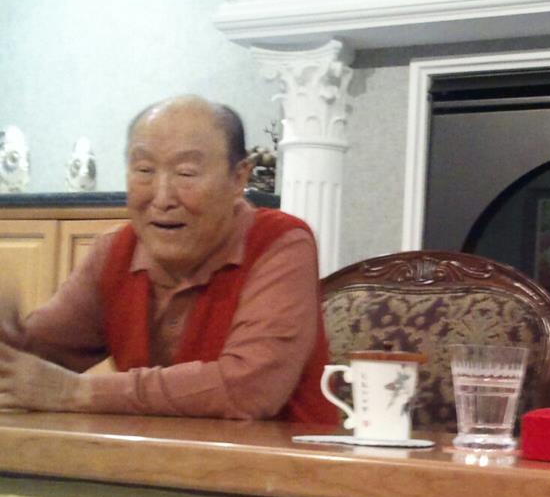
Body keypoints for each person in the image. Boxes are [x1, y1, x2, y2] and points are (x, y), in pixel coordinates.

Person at [0, 95, 337, 424]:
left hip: (276, 459)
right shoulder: (115, 252)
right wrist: (7, 330)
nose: (162, 198)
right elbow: (25, 367)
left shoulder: (280, 242)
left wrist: (76, 392)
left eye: (186, 173)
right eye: (144, 170)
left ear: (239, 178)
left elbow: (249, 388)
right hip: (150, 458)